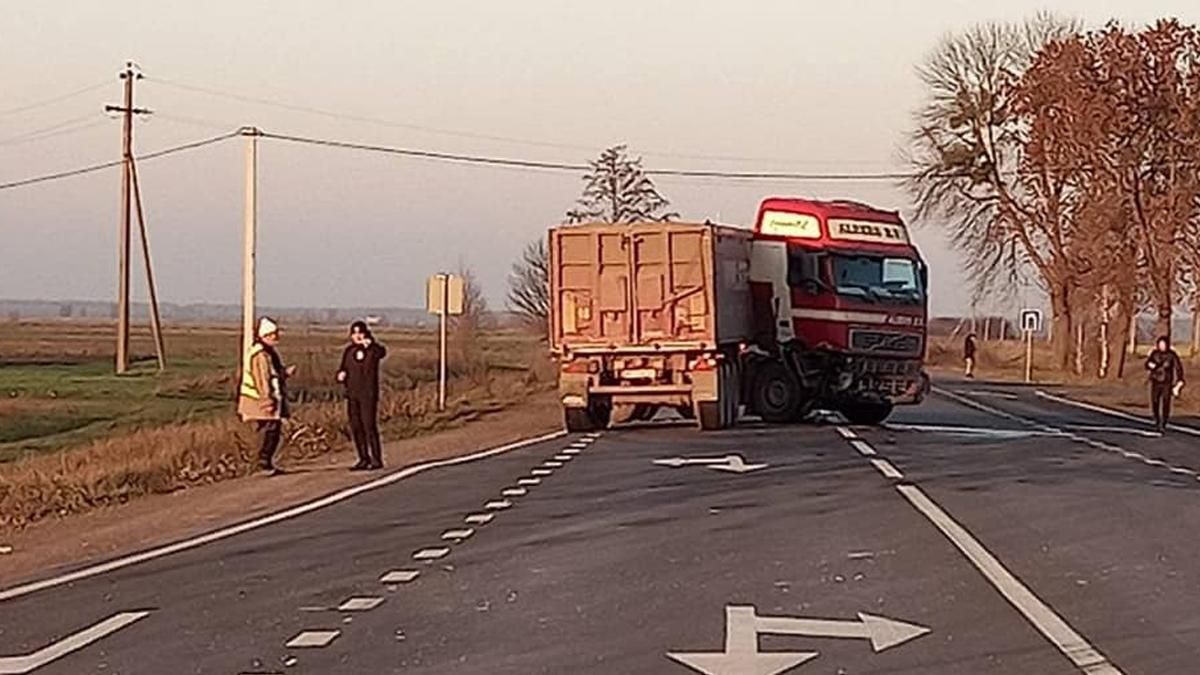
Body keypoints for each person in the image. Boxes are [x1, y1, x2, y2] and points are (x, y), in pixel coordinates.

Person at [238, 317, 295, 474]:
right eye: (272, 335)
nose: (276, 338)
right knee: (270, 430)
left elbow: (272, 374)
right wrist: (266, 400)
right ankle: (263, 461)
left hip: (263, 399)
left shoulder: (267, 353)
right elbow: (262, 379)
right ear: (265, 336)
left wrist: (284, 373)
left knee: (271, 430)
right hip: (258, 400)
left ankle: (264, 462)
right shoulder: (260, 355)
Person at [337, 321, 388, 470]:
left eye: (360, 333)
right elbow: (343, 367)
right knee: (356, 426)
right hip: (352, 394)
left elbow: (382, 352)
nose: (357, 336)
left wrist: (370, 345)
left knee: (368, 425)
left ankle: (376, 458)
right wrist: (341, 374)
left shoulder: (373, 350)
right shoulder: (349, 351)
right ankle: (363, 458)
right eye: (354, 333)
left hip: (368, 394)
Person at [1145, 335, 1185, 432]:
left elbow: (1178, 367)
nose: (1162, 346)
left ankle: (1164, 421)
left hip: (1167, 382)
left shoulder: (1172, 355)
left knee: (1166, 402)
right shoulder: (1154, 354)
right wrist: (1150, 365)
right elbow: (1147, 363)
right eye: (1160, 344)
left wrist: (1180, 379)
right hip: (1155, 380)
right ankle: (1157, 419)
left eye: (1163, 344)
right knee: (1155, 401)